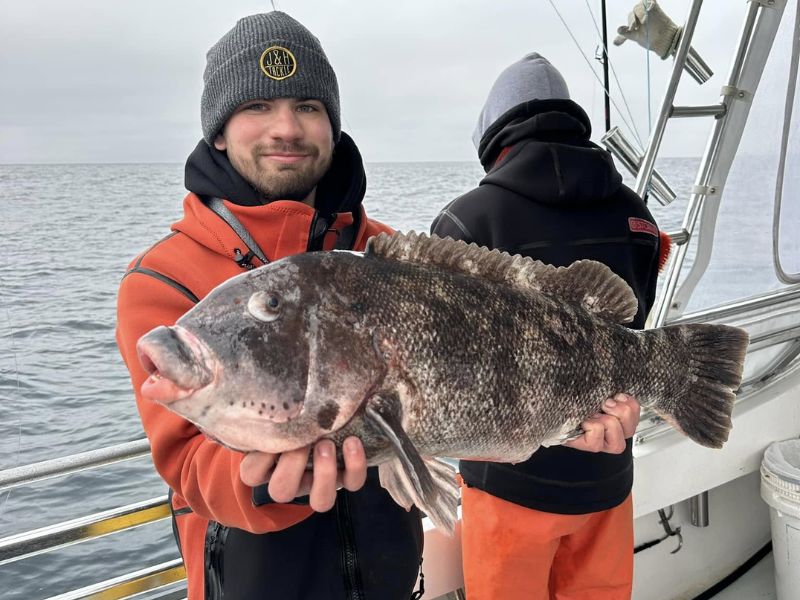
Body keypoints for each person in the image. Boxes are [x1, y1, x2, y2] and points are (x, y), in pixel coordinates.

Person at [115, 11, 423, 600]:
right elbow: (186, 460)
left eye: (309, 106)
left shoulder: (385, 256)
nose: (286, 127)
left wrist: (565, 423)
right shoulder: (159, 278)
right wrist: (261, 480)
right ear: (219, 131)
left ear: (332, 126)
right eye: (257, 107)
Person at [431, 53, 666, 599]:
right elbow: (632, 322)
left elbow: (445, 364)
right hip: (609, 478)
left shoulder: (468, 220)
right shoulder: (637, 214)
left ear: (492, 132)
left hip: (509, 489)